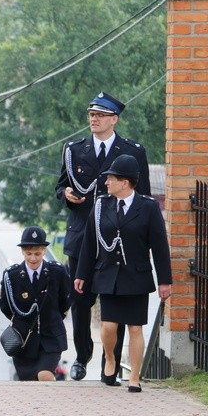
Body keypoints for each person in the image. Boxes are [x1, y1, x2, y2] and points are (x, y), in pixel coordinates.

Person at [54, 91, 151, 383]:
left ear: (114, 119)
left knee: (114, 302)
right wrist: (68, 195)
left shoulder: (132, 151)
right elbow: (61, 186)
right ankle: (82, 356)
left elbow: (142, 196)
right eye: (91, 115)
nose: (93, 120)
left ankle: (109, 365)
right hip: (81, 237)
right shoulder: (74, 150)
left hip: (116, 239)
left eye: (100, 115)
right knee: (80, 301)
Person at [73, 154, 172, 392]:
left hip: (136, 277)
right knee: (108, 326)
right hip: (108, 276)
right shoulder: (100, 206)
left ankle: (134, 377)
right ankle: (110, 359)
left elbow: (159, 246)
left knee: (135, 328)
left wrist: (164, 281)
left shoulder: (148, 207)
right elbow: (89, 242)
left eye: (111, 179)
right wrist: (81, 274)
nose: (106, 183)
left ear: (125, 182)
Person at [0, 226, 72, 381]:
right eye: (28, 253)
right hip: (23, 341)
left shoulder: (56, 272)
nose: (33, 258)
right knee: (28, 385)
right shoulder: (11, 276)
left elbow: (65, 301)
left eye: (37, 253)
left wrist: (53, 319)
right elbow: (6, 306)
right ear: (22, 252)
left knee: (44, 376)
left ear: (44, 250)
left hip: (50, 339)